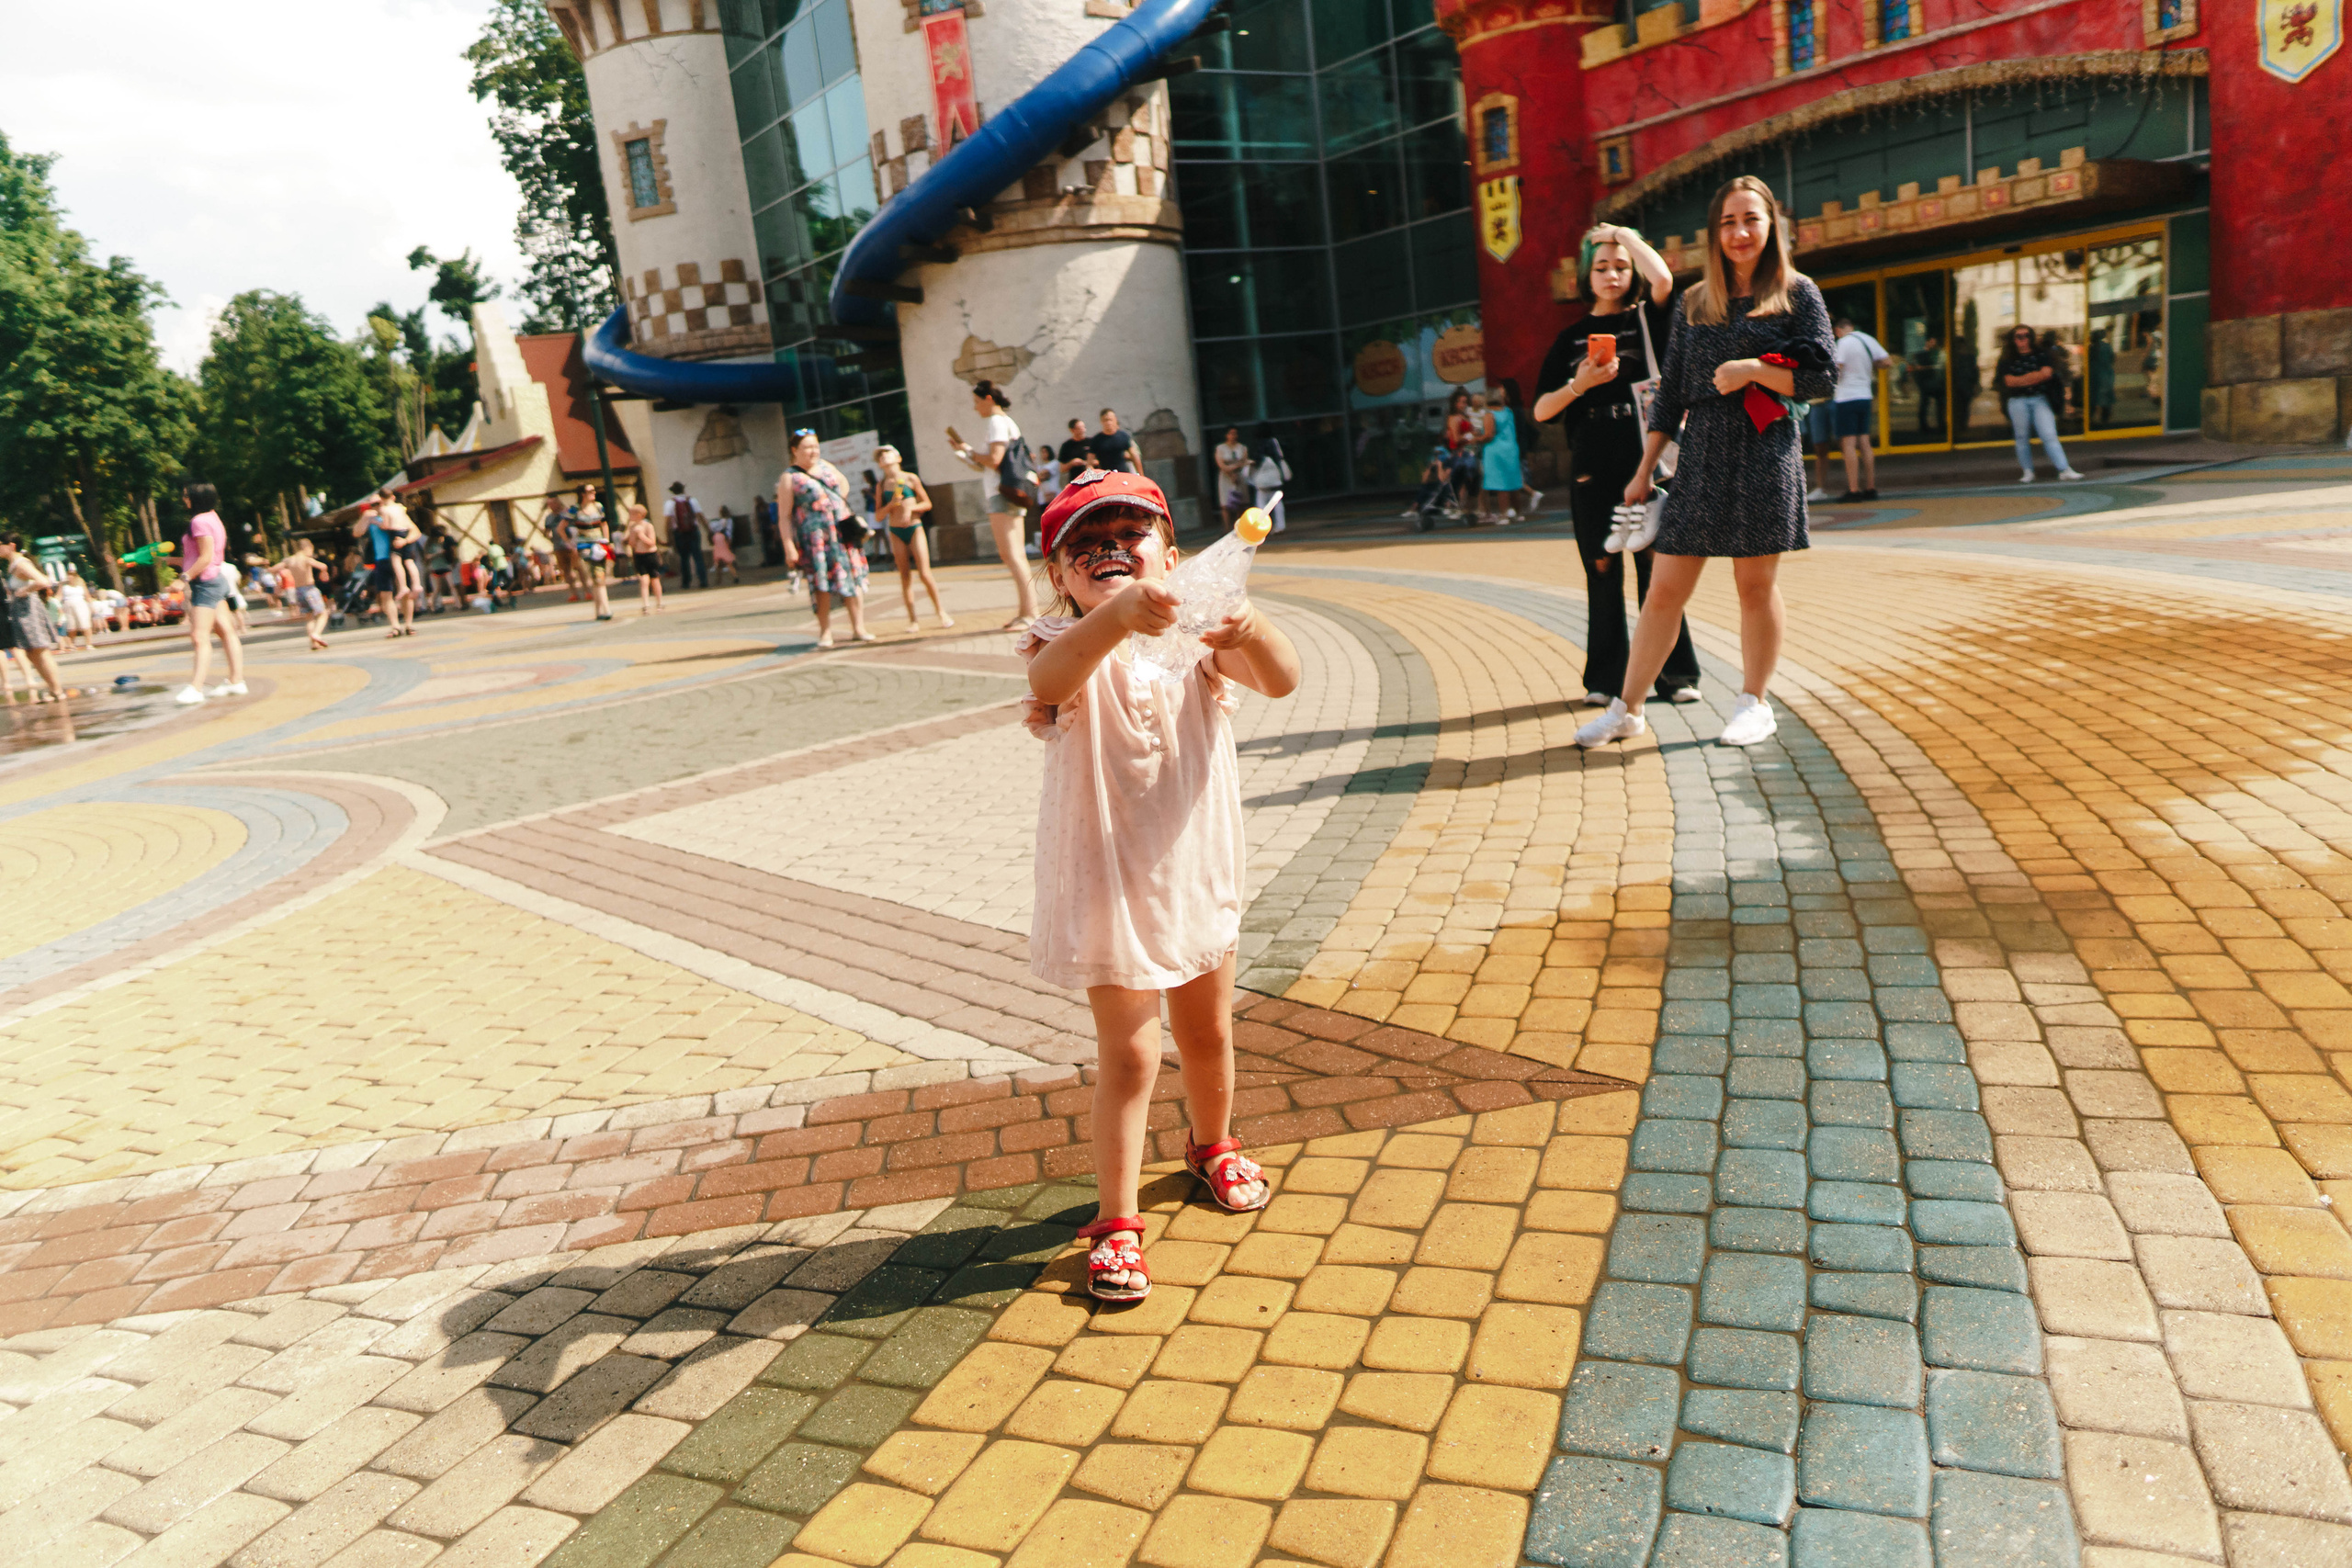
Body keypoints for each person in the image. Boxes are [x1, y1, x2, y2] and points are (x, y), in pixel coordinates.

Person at [1019, 468, 1301, 1300]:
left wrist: (1247, 624)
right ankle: (1116, 1217)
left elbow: (1281, 679)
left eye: (1128, 537)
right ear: (1061, 580)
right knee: (1133, 1053)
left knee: (1209, 1032)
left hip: (1195, 867)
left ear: (1172, 555)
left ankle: (1212, 1142)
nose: (1108, 550)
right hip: (1106, 883)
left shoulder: (1201, 642)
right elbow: (1050, 683)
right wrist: (1113, 615)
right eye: (1085, 547)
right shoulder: (1057, 639)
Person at [1577, 174, 1835, 753]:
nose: (1741, 233)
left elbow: (1821, 377)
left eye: (1752, 220)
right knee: (1664, 589)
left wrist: (1753, 370)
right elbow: (1668, 398)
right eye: (1728, 222)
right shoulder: (1695, 303)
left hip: (1766, 451)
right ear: (1715, 233)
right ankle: (1628, 708)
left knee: (1753, 584)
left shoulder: (1799, 292)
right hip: (1699, 459)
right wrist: (1644, 471)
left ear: (1772, 226)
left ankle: (1754, 702)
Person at [1533, 220, 1702, 708]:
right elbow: (1543, 409)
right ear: (1587, 276)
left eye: (1621, 267)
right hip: (1592, 464)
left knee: (1658, 571)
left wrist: (1625, 236)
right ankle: (1605, 680)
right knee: (1602, 569)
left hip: (1647, 460)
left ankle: (1676, 675)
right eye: (1601, 267)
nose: (1612, 275)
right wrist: (1580, 385)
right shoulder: (1570, 338)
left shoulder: (1646, 319)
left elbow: (1665, 280)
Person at [948, 380, 1041, 629]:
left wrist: (972, 453)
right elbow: (991, 460)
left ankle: (1030, 613)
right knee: (1015, 554)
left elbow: (994, 459)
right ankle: (1026, 611)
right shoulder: (1006, 422)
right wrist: (967, 451)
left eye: (977, 402)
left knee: (1011, 554)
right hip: (1009, 491)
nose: (975, 407)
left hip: (1002, 493)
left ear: (989, 399)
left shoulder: (996, 422)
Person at [780, 427, 874, 648]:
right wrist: (789, 546)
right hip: (815, 539)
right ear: (794, 450)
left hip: (841, 533)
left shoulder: (826, 466)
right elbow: (784, 517)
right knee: (821, 583)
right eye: (807, 448)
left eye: (815, 446)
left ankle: (858, 628)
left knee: (851, 578)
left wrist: (834, 504)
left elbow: (844, 486)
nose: (813, 451)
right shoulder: (789, 477)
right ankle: (825, 632)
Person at [174, 483, 248, 704]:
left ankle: (196, 688)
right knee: (227, 631)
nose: (183, 499)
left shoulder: (199, 521)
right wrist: (166, 561)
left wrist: (183, 579)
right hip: (214, 579)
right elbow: (205, 556)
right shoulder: (212, 517)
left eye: (186, 495)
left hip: (205, 583)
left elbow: (205, 558)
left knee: (199, 636)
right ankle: (237, 681)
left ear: (196, 498)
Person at [872, 445, 951, 630]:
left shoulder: (910, 478)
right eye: (880, 456)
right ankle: (913, 619)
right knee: (905, 575)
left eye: (887, 453)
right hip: (895, 530)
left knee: (925, 573)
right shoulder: (881, 485)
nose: (884, 457)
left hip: (914, 527)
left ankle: (941, 612)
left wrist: (911, 508)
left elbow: (927, 503)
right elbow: (878, 516)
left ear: (898, 457)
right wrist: (891, 505)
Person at [1996, 324, 2085, 483]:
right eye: (2019, 336)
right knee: (2022, 437)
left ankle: (2064, 469)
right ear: (2013, 339)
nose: (2023, 339)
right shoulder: (2007, 359)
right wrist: (2034, 377)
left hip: (2039, 399)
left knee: (2049, 434)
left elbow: (2046, 374)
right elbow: (2009, 381)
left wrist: (2022, 379)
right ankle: (2028, 471)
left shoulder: (2041, 355)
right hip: (2017, 401)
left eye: (2026, 335)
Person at [1829, 316, 1890, 502]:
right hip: (1865, 395)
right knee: (1865, 442)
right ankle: (1870, 488)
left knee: (1848, 444)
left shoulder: (1842, 343)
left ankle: (1853, 490)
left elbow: (1837, 369)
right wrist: (1869, 366)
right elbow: (1887, 362)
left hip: (1846, 397)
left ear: (1837, 331)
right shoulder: (1867, 339)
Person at [0, 537, 67, 702]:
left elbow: (44, 581)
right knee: (32, 652)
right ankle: (53, 690)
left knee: (40, 651)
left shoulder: (22, 563)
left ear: (11, 545)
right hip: (22, 612)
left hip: (29, 610)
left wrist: (26, 589)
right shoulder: (14, 564)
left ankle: (57, 690)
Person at [1477, 386, 1535, 524]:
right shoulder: (1508, 412)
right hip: (1511, 449)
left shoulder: (1489, 414)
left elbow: (1489, 435)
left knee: (1501, 484)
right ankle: (1518, 513)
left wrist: (1475, 438)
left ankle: (1504, 514)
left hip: (1495, 450)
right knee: (1514, 482)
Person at [277, 536, 332, 649]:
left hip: (298, 590)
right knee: (323, 613)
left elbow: (273, 569)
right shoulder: (306, 559)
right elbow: (322, 565)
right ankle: (316, 634)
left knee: (309, 617)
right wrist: (324, 572)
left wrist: (276, 580)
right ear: (307, 548)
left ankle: (313, 643)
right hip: (309, 588)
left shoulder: (289, 560)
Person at [573, 489, 616, 620]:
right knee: (597, 578)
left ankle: (600, 610)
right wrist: (571, 542)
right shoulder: (575, 509)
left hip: (599, 545)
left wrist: (607, 540)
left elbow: (604, 524)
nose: (594, 492)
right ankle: (605, 609)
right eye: (590, 491)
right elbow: (561, 526)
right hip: (585, 547)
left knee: (598, 578)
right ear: (583, 494)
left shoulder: (598, 506)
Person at [1246, 425, 1290, 533]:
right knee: (1277, 502)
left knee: (1261, 504)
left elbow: (1254, 461)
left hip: (1261, 481)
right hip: (1275, 478)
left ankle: (1261, 527)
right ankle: (1280, 526)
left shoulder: (1256, 444)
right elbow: (1280, 456)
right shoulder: (1273, 442)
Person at [623, 502, 664, 614]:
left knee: (654, 579)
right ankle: (645, 604)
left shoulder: (648, 526)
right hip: (639, 555)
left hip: (650, 555)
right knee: (643, 580)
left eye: (632, 514)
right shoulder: (632, 527)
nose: (630, 517)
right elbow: (631, 543)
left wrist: (641, 535)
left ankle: (659, 603)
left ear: (639, 515)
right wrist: (632, 535)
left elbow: (652, 542)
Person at [1443, 389, 1481, 513]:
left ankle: (1465, 508)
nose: (1463, 405)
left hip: (1469, 452)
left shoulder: (1465, 416)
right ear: (1455, 403)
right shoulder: (1454, 418)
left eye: (1465, 402)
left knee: (1469, 482)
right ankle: (1455, 505)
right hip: (1459, 454)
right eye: (1461, 402)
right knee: (1464, 480)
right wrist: (1470, 435)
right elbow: (1456, 438)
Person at [667, 481, 707, 590]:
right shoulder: (692, 501)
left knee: (684, 558)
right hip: (693, 531)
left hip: (679, 533)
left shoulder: (670, 503)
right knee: (697, 556)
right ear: (683, 489)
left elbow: (667, 522)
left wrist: (669, 537)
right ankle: (703, 580)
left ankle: (686, 582)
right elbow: (700, 516)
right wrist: (708, 531)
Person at [1215, 426, 1251, 530]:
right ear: (1226, 435)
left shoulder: (1242, 447)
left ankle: (1240, 527)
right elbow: (1221, 463)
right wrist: (1231, 473)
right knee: (1225, 504)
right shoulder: (1220, 448)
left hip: (1239, 476)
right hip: (1226, 477)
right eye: (1231, 433)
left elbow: (1244, 460)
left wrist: (1236, 470)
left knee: (1241, 504)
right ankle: (1226, 528)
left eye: (1235, 433)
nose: (1233, 436)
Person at [1911, 334, 1947, 438]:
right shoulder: (1922, 354)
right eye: (1932, 341)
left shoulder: (1930, 353)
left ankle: (1934, 424)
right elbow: (1919, 368)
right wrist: (1931, 368)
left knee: (1930, 404)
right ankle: (1930, 425)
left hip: (1928, 382)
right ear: (1927, 342)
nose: (1933, 343)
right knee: (1931, 403)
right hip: (1926, 382)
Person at [1088, 408, 1139, 474]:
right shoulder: (1096, 440)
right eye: (1105, 420)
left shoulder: (1124, 436)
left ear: (1115, 420)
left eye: (1110, 420)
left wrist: (1141, 475)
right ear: (1101, 421)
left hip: (1123, 474)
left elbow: (1135, 456)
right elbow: (1089, 463)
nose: (1108, 423)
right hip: (1105, 476)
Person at [57, 570, 96, 653]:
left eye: (71, 575)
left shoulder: (81, 583)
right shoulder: (63, 584)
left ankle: (89, 644)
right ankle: (72, 645)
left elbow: (87, 595)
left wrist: (92, 606)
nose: (70, 577)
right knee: (71, 627)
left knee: (85, 625)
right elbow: (59, 596)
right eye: (68, 575)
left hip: (80, 604)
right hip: (68, 605)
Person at [2087, 327, 2116, 427]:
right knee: (2106, 398)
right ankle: (2105, 420)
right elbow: (2112, 359)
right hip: (2106, 374)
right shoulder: (2107, 347)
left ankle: (2090, 419)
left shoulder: (2092, 348)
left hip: (2095, 375)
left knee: (2093, 398)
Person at [710, 504, 741, 586]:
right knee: (728, 561)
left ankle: (718, 579)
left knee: (718, 562)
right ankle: (735, 576)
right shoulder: (729, 521)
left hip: (719, 540)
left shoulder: (720, 521)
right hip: (725, 540)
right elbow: (729, 532)